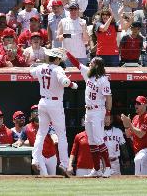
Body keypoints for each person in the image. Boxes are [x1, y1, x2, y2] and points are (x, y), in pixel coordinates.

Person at [30, 48, 78, 177]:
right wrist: (72, 84)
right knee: (61, 134)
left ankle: (35, 159)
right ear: (56, 59)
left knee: (41, 133)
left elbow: (31, 72)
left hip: (43, 102)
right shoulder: (58, 69)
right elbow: (64, 81)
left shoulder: (41, 67)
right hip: (55, 104)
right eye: (59, 59)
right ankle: (64, 164)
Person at [64, 50, 112, 177]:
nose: (90, 64)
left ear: (97, 66)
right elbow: (77, 64)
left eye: (92, 63)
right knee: (91, 141)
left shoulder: (103, 80)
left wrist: (108, 114)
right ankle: (96, 169)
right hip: (88, 111)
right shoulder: (88, 73)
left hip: (98, 110)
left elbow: (109, 98)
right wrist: (67, 53)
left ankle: (108, 167)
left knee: (98, 139)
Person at [13, 105, 58, 175]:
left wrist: (55, 140)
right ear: (31, 114)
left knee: (52, 175)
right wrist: (16, 144)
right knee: (44, 175)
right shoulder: (27, 128)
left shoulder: (47, 124)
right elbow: (21, 140)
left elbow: (53, 135)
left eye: (38, 111)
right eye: (35, 111)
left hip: (51, 155)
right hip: (39, 155)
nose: (37, 113)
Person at [121, 95, 147, 175]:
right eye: (135, 103)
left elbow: (141, 134)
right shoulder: (135, 118)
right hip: (138, 151)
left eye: (138, 103)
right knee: (144, 173)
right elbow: (128, 135)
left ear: (145, 105)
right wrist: (126, 125)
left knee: (139, 159)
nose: (136, 105)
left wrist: (130, 124)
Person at [57, 2, 89, 67]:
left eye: (75, 9)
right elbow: (58, 38)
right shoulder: (63, 21)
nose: (73, 11)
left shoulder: (83, 22)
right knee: (68, 76)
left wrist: (83, 30)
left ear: (78, 10)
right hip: (67, 56)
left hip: (81, 55)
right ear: (69, 10)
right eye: (71, 9)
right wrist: (67, 35)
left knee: (82, 76)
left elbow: (86, 40)